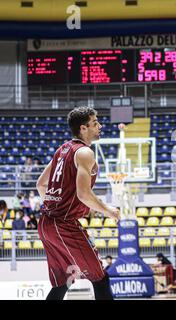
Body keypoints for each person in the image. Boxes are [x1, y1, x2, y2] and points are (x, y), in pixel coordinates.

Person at [36, 106, 120, 300]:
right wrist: (109, 210)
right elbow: (83, 194)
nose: (100, 126)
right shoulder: (84, 152)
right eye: (95, 123)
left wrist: (55, 205)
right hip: (64, 224)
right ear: (83, 128)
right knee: (100, 277)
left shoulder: (62, 149)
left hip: (46, 223)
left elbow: (40, 184)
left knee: (63, 282)